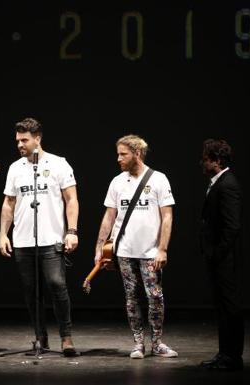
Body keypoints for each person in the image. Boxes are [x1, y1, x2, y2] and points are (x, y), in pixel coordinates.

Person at [0, 117, 79, 356]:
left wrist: (72, 231)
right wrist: (3, 234)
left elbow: (71, 199)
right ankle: (40, 337)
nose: (20, 145)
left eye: (24, 140)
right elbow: (8, 203)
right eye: (18, 141)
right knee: (31, 291)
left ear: (38, 138)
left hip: (52, 238)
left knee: (57, 285)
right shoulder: (15, 168)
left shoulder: (59, 164)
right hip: (23, 240)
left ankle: (66, 338)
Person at [94, 135, 178, 359]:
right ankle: (138, 343)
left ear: (137, 154)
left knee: (155, 296)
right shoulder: (117, 182)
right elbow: (109, 217)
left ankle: (157, 342)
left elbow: (167, 217)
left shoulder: (159, 180)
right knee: (131, 297)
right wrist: (100, 248)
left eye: (123, 154)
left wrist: (162, 248)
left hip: (150, 252)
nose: (118, 158)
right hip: (124, 252)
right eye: (118, 154)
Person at [198, 139, 244, 370]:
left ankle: (232, 357)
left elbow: (232, 226)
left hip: (224, 259)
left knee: (229, 307)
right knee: (222, 307)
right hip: (218, 258)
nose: (202, 163)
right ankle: (224, 353)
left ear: (216, 161)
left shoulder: (227, 184)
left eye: (205, 159)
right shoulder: (219, 182)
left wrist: (217, 254)